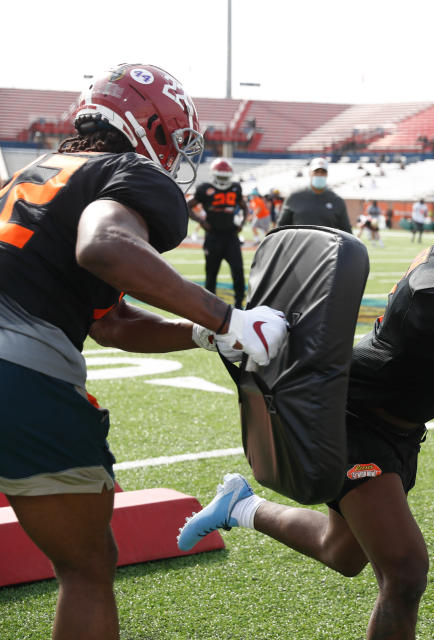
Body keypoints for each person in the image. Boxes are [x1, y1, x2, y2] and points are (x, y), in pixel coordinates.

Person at [176, 163, 434, 640]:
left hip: (398, 427)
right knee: (404, 573)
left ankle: (239, 507)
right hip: (353, 419)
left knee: (341, 552)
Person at [0, 63, 287, 640]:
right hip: (21, 376)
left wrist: (203, 334)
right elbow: (104, 245)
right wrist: (226, 316)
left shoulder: (33, 173)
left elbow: (111, 325)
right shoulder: (126, 171)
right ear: (147, 126)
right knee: (86, 569)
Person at [186, 157, 249, 308]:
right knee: (211, 273)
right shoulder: (204, 189)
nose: (222, 180)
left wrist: (243, 222)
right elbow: (188, 206)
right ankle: (210, 306)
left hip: (231, 236)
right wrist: (201, 221)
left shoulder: (235, 188)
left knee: (238, 271)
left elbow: (244, 206)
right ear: (214, 174)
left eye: (224, 177)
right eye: (220, 176)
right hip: (213, 236)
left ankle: (239, 304)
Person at [276, 157, 351, 233]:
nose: (319, 175)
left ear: (327, 174)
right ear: (310, 173)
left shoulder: (337, 200)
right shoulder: (294, 197)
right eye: (316, 172)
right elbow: (281, 227)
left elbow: (347, 230)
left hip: (327, 244)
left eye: (323, 172)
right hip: (300, 244)